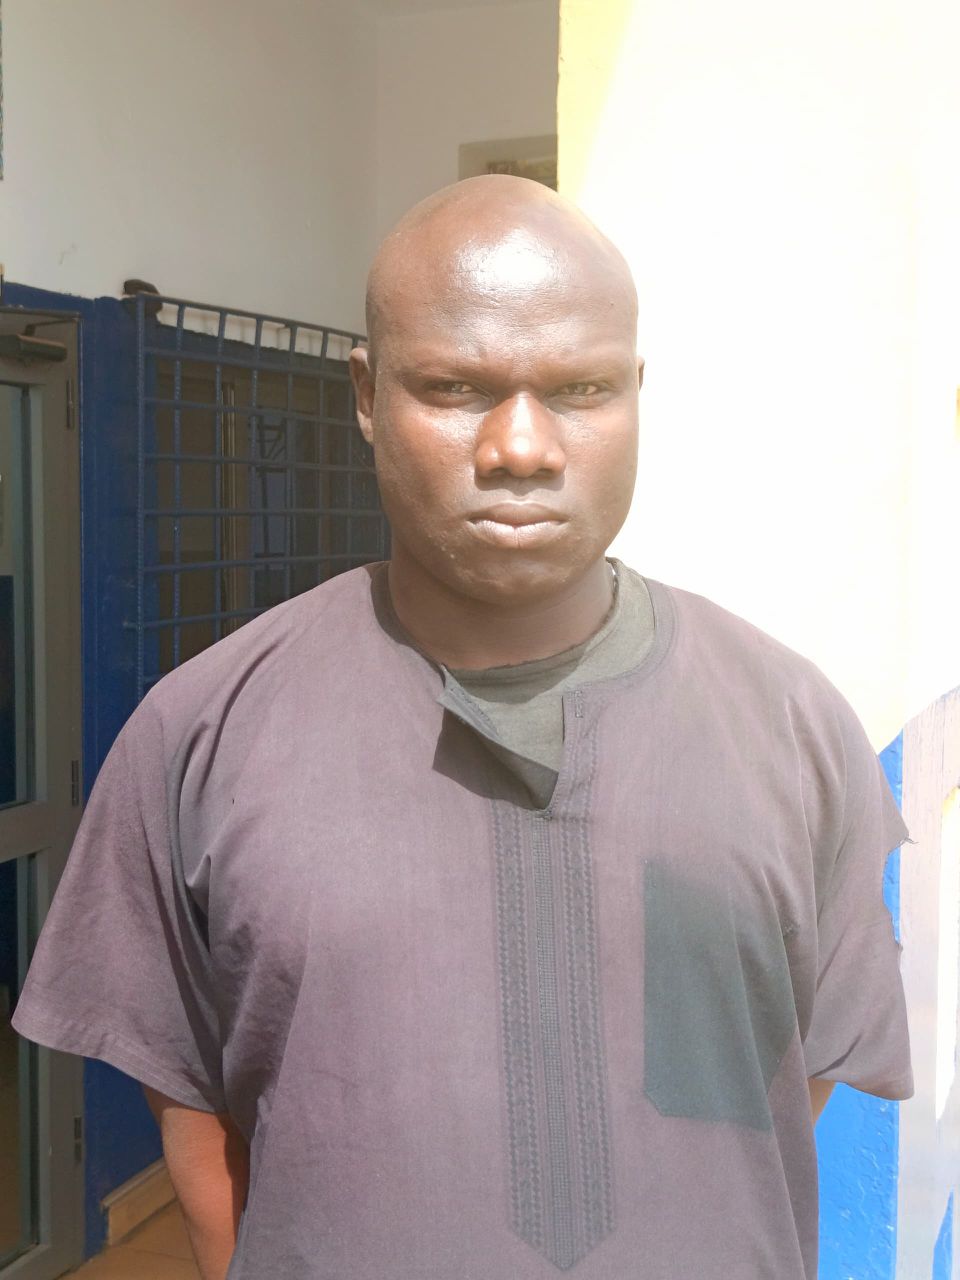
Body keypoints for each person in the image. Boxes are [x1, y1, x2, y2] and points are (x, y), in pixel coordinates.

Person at [13, 176, 911, 1280]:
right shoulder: (203, 730)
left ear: (636, 392)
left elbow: (776, 1088)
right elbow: (196, 1114)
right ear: (366, 394)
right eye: (453, 387)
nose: (522, 447)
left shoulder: (791, 725)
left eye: (580, 388)